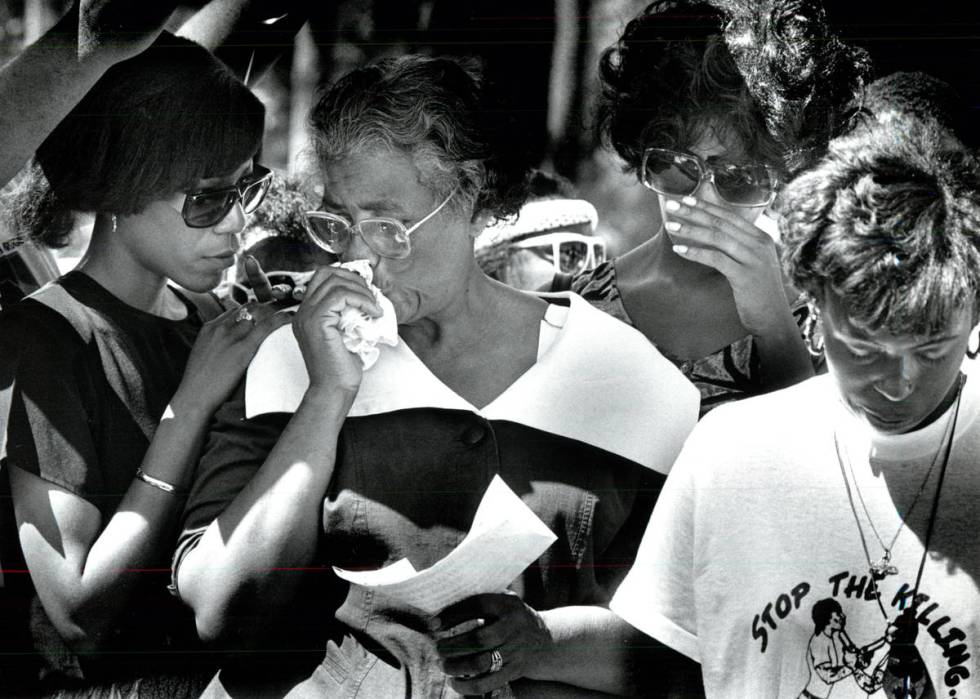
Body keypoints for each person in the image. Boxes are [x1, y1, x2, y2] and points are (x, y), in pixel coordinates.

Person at [170, 54, 700, 697]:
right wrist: (327, 396)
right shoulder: (288, 357)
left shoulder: (626, 378)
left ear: (471, 193)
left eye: (389, 227)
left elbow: (683, 646)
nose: (360, 257)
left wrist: (547, 644)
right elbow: (220, 611)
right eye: (338, 225)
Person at [608, 114, 980, 697]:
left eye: (932, 349)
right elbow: (662, 652)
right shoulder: (727, 450)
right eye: (862, 348)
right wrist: (536, 643)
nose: (899, 381)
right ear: (813, 306)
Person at [0, 34, 289, 696]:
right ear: (125, 193)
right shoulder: (46, 337)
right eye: (206, 198)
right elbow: (76, 612)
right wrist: (189, 408)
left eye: (246, 188)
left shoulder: (217, 317)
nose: (237, 222)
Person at [569, 0, 868, 415]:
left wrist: (775, 326)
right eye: (675, 167)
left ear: (783, 178)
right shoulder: (585, 305)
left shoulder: (830, 314)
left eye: (739, 178)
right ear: (640, 156)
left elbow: (815, 461)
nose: (701, 200)